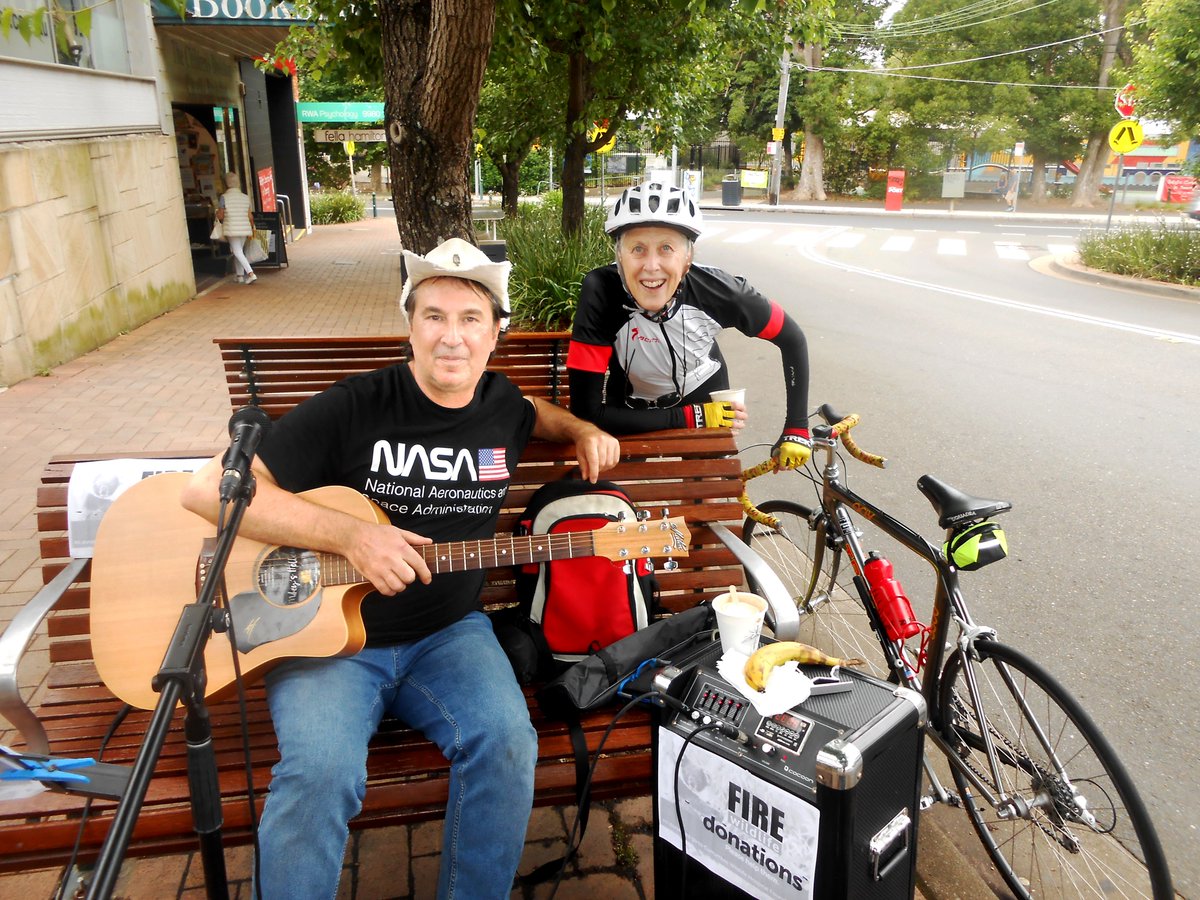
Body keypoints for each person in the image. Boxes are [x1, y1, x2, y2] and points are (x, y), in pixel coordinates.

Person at [181, 237, 620, 899]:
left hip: (449, 635)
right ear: (410, 326)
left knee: (507, 744)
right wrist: (352, 537)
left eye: (471, 319)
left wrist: (583, 430)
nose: (452, 337)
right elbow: (206, 491)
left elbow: (540, 415)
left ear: (496, 334)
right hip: (327, 643)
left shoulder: (506, 407)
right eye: (434, 317)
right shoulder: (356, 404)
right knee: (321, 774)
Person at [567, 180, 813, 470]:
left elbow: (792, 338)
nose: (651, 266)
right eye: (637, 249)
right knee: (625, 494)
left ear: (687, 258)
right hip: (633, 403)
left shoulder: (721, 291)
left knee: (705, 494)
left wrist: (797, 429)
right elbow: (587, 412)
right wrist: (691, 416)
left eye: (667, 248)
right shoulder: (601, 291)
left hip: (704, 394)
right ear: (619, 257)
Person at [218, 171, 257, 284]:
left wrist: (217, 214)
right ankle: (239, 276)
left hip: (231, 227)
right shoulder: (245, 197)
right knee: (239, 251)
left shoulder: (224, 197)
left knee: (237, 251)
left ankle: (251, 273)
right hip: (244, 228)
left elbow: (221, 215)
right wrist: (252, 228)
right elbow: (250, 216)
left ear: (226, 183)